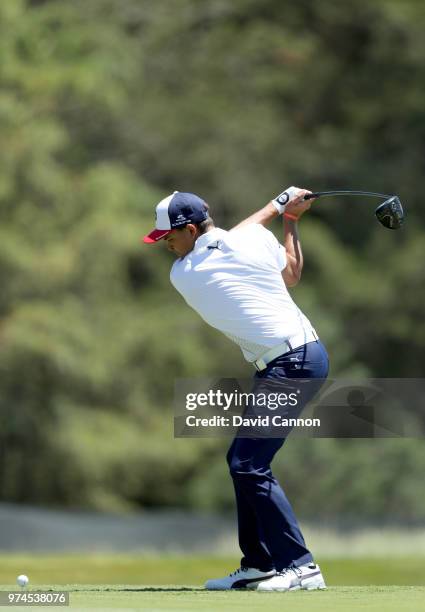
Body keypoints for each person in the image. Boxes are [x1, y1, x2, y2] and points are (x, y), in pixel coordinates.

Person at [143, 188, 329, 592]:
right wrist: (288, 218)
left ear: (190, 231)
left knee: (249, 464)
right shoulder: (248, 242)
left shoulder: (186, 272)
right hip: (296, 358)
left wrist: (275, 208)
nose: (165, 246)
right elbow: (291, 273)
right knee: (241, 460)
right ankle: (259, 563)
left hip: (292, 363)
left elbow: (238, 235)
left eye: (168, 238)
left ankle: (300, 567)